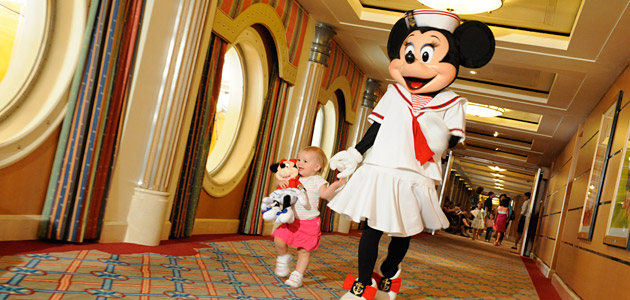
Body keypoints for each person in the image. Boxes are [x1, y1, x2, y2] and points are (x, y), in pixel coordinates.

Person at [326, 9, 495, 300]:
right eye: (409, 55)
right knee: (372, 229)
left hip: (417, 172)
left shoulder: (451, 102)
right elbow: (377, 128)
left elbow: (452, 138)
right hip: (382, 166)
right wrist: (356, 152)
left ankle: (390, 268)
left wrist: (442, 139)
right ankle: (363, 285)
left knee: (402, 232)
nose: (415, 65)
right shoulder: (394, 93)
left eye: (427, 56)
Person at [272, 146, 345, 288]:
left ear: (316, 167)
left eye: (305, 161)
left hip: (308, 223)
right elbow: (279, 186)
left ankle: (297, 275)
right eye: (299, 159)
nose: (299, 163)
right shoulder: (293, 176)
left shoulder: (318, 180)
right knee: (279, 240)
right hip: (291, 219)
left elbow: (324, 195)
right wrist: (279, 183)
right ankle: (283, 257)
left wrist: (335, 185)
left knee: (303, 251)